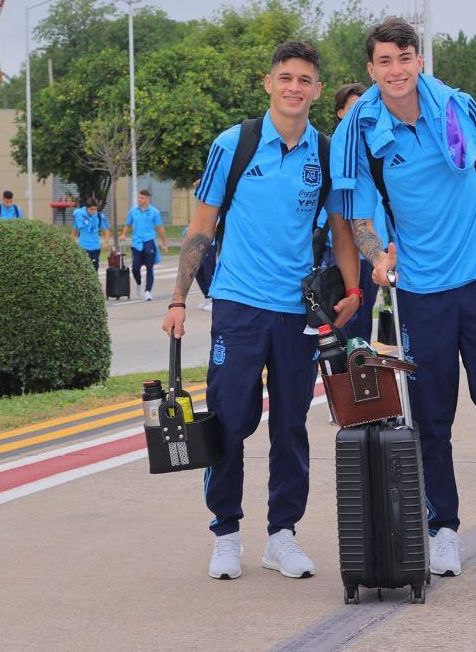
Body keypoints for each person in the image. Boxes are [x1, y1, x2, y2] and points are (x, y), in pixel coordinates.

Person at [331, 17, 476, 577]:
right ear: (370, 69)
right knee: (432, 415)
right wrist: (377, 253)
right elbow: (358, 213)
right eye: (384, 61)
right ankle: (442, 525)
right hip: (422, 292)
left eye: (404, 58)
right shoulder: (360, 128)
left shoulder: (456, 106)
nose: (395, 70)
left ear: (418, 61)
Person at [162, 40, 363, 582]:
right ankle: (226, 533)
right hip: (238, 305)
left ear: (317, 91)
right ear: (269, 83)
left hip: (296, 311)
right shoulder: (235, 144)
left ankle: (282, 535)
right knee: (229, 421)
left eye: (305, 80)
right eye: (286, 77)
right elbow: (201, 228)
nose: (294, 87)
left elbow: (341, 229)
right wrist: (180, 298)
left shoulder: (325, 152)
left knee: (291, 424)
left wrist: (352, 288)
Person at [325, 82, 386, 342]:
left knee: (361, 326)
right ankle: (340, 377)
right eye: (353, 109)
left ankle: (361, 376)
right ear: (340, 113)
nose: (361, 114)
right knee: (338, 323)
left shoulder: (379, 149)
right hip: (337, 252)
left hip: (373, 254)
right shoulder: (331, 153)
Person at [122, 189, 168, 301]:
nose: (139, 199)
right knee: (135, 267)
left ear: (147, 199)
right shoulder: (133, 211)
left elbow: (160, 228)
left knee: (149, 267)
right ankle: (139, 283)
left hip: (149, 241)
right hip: (136, 242)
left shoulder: (154, 212)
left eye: (142, 198)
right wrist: (123, 234)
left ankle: (148, 291)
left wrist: (164, 243)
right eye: (139, 197)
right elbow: (128, 224)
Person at [184, 180, 217, 312]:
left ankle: (212, 298)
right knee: (197, 271)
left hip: (210, 243)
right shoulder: (202, 205)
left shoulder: (215, 203)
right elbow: (195, 183)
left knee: (209, 272)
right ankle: (206, 295)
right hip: (197, 243)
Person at [72, 198, 111, 271]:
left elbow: (107, 230)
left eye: (95, 209)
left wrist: (106, 242)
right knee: (83, 271)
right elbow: (75, 229)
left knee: (94, 271)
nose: (93, 211)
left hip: (95, 248)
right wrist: (70, 242)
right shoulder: (79, 215)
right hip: (82, 248)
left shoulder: (99, 216)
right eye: (91, 209)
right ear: (87, 208)